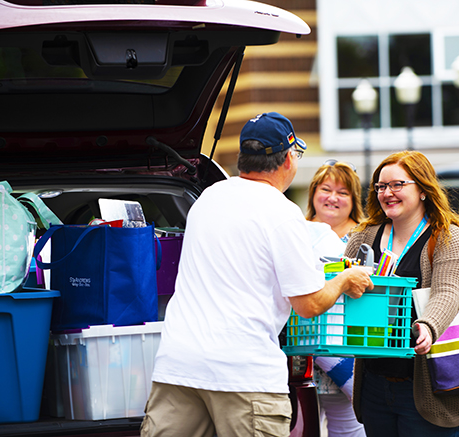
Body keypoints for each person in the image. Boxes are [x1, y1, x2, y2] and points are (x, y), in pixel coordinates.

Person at [141, 112, 373, 437]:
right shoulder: (281, 212)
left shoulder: (208, 198)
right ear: (289, 158)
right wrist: (344, 280)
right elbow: (308, 304)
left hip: (178, 366)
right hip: (244, 374)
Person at [345, 150, 459, 436]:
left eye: (397, 185)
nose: (387, 193)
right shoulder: (364, 236)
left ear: (424, 189)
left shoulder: (449, 238)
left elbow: (448, 292)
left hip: (430, 390)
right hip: (375, 387)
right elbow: (343, 286)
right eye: (381, 186)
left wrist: (428, 326)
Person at [305, 160, 367, 437]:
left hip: (349, 348)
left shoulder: (367, 235)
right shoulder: (295, 231)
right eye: (326, 189)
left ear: (354, 200)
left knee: (350, 430)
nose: (332, 198)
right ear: (313, 193)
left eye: (343, 193)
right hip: (300, 355)